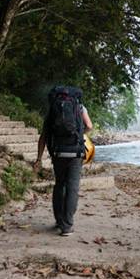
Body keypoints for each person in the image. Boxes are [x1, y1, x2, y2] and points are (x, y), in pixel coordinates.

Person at [33, 86, 93, 236]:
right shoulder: (79, 106)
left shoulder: (54, 107)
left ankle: (59, 220)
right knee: (72, 187)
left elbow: (44, 136)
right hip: (76, 153)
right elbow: (89, 126)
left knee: (60, 184)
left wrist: (39, 158)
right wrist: (79, 134)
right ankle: (66, 226)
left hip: (58, 152)